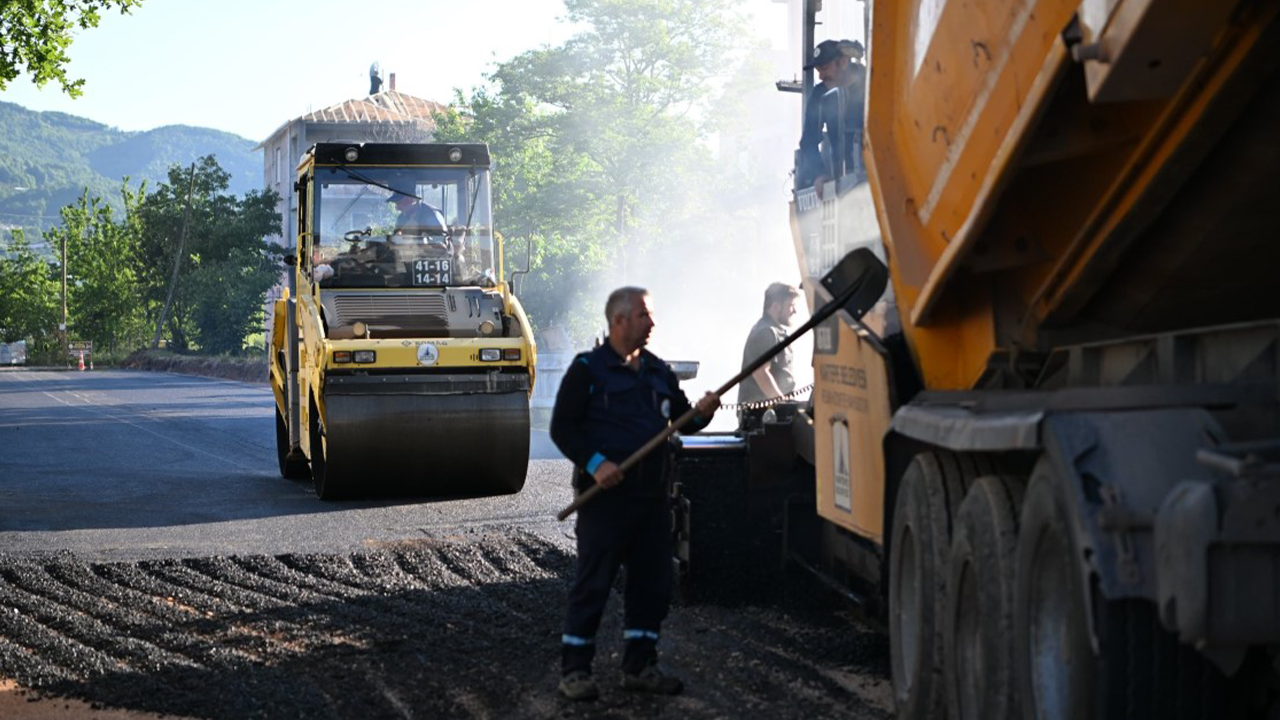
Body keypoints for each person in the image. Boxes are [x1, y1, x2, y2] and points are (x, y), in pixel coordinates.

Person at [550, 287, 720, 701]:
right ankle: (575, 672)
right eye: (644, 315)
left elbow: (681, 422)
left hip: (651, 499)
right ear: (619, 321)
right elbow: (563, 429)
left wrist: (704, 412)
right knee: (593, 584)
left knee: (652, 586)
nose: (652, 322)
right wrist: (596, 464)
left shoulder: (659, 372)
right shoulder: (588, 370)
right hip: (605, 501)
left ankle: (639, 666)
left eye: (651, 314)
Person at [796, 39, 867, 198]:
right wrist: (819, 174)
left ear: (843, 62)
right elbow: (808, 141)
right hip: (842, 177)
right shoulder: (819, 95)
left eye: (824, 68)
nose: (821, 76)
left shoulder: (873, 81)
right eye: (817, 70)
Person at [738, 282, 801, 405]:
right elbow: (761, 373)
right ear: (776, 306)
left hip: (772, 413)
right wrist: (783, 405)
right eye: (791, 305)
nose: (794, 311)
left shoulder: (769, 330)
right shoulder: (766, 332)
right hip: (764, 416)